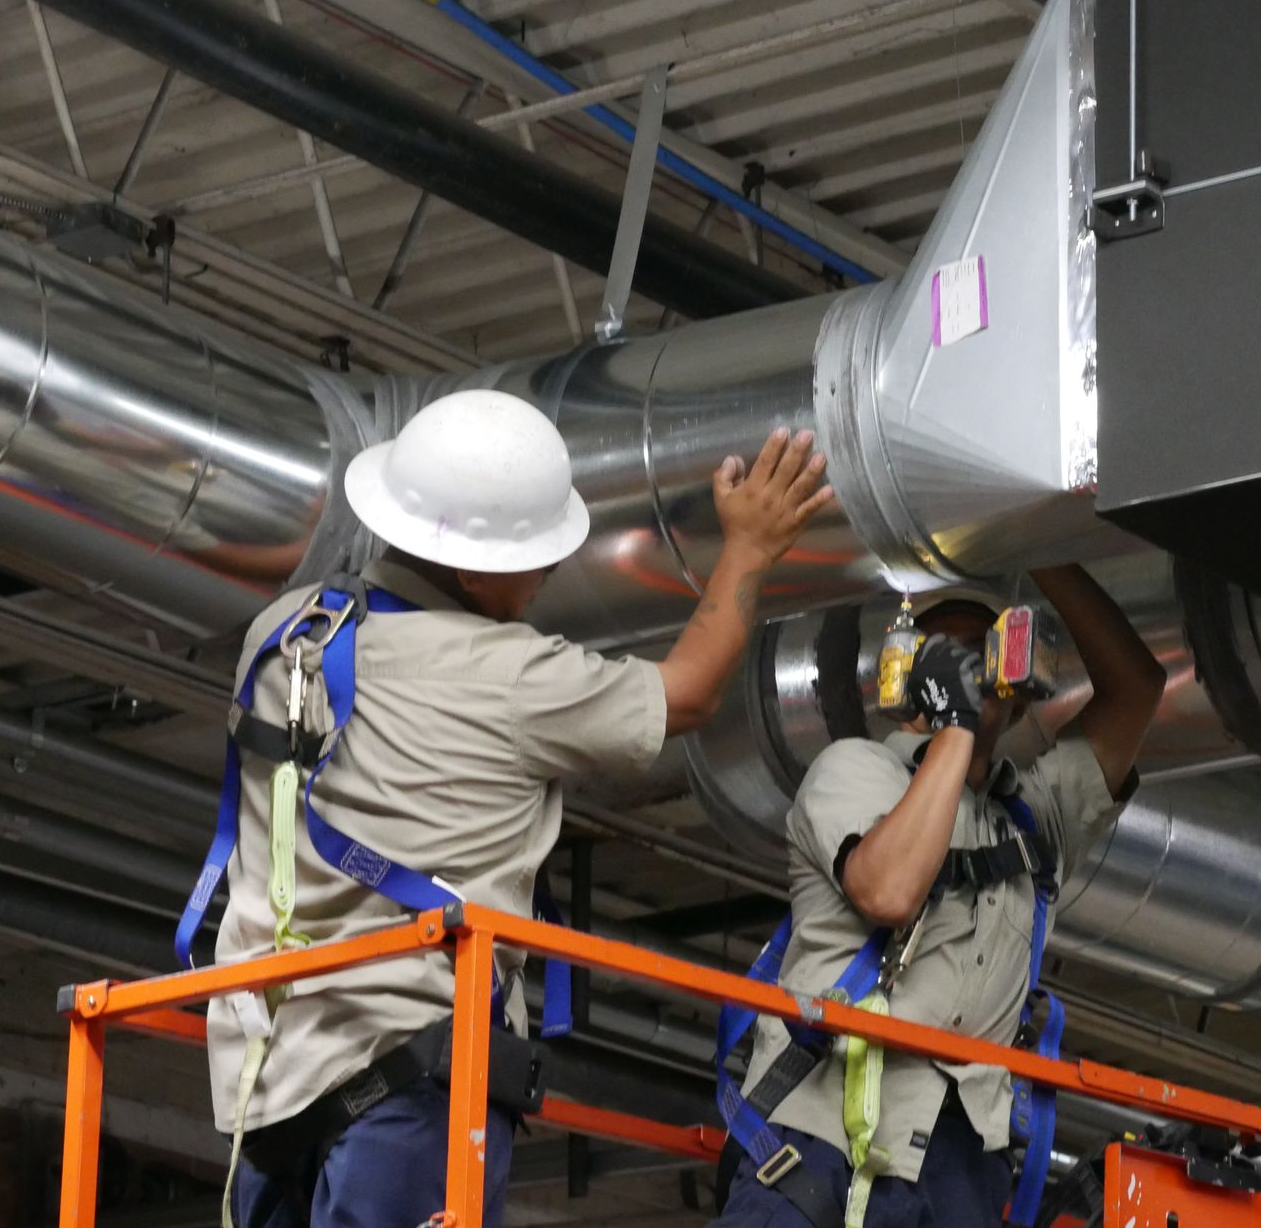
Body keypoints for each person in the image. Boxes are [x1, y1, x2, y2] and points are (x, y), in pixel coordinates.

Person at [198, 390, 834, 1228]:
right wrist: (749, 546)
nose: (547, 576)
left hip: (265, 1082)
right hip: (411, 1081)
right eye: (537, 558)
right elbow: (688, 691)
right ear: (471, 569)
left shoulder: (284, 633)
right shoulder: (513, 677)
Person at [711, 565, 1167, 1228]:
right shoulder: (856, 769)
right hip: (817, 1147)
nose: (965, 671)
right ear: (910, 683)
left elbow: (1137, 689)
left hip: (958, 1172)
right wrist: (956, 722)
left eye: (982, 654)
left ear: (1014, 693)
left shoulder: (1033, 819)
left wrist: (1046, 557)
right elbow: (888, 890)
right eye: (942, 657)